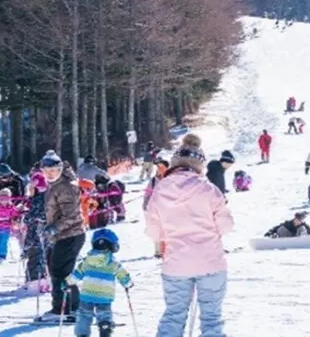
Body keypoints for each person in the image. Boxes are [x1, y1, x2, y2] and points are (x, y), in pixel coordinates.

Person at [145, 133, 234, 337]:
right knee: (211, 318)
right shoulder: (209, 190)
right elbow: (226, 225)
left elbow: (152, 231)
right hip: (210, 261)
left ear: (175, 163)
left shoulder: (159, 191)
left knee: (174, 314)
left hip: (176, 264)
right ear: (199, 165)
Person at [41, 151, 86, 319]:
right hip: (64, 234)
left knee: (59, 272)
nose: (50, 174)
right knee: (64, 273)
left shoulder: (66, 187)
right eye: (47, 171)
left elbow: (71, 215)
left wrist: (54, 228)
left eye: (54, 170)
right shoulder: (55, 185)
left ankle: (62, 308)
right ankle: (74, 306)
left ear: (60, 169)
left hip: (70, 234)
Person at [66, 228, 132, 337]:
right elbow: (123, 276)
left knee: (84, 315)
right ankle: (105, 326)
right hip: (104, 296)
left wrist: (67, 283)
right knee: (104, 314)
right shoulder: (113, 264)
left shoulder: (86, 262)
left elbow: (76, 275)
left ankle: (82, 333)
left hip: (87, 295)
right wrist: (128, 284)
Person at [23, 166, 50, 290]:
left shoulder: (40, 199)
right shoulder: (35, 199)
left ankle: (35, 280)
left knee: (37, 256)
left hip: (38, 233)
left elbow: (37, 214)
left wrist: (29, 218)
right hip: (38, 233)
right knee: (39, 256)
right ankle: (37, 279)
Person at [142, 158, 169, 258]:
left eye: (161, 167)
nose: (159, 169)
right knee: (157, 229)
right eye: (158, 167)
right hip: (155, 209)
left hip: (169, 209)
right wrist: (145, 204)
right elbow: (148, 193)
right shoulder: (153, 180)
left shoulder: (171, 179)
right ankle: (158, 251)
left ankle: (168, 250)